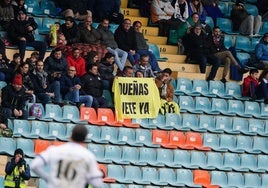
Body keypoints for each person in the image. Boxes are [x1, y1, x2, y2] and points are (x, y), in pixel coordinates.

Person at [30, 124, 103, 188]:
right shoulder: (88, 156)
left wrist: (47, 178)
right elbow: (97, 183)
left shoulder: (55, 150)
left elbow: (34, 165)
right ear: (84, 139)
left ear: (70, 135)